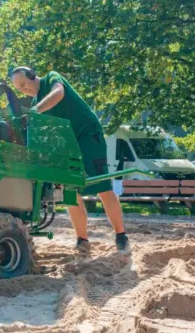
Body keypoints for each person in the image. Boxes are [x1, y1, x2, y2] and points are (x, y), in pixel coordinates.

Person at [10, 67, 129, 255]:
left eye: (24, 84)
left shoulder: (51, 79)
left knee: (103, 186)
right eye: (20, 89)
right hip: (67, 141)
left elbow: (59, 93)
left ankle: (121, 236)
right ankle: (82, 240)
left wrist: (36, 111)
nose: (24, 90)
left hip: (88, 134)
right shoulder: (36, 102)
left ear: (32, 75)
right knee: (70, 191)